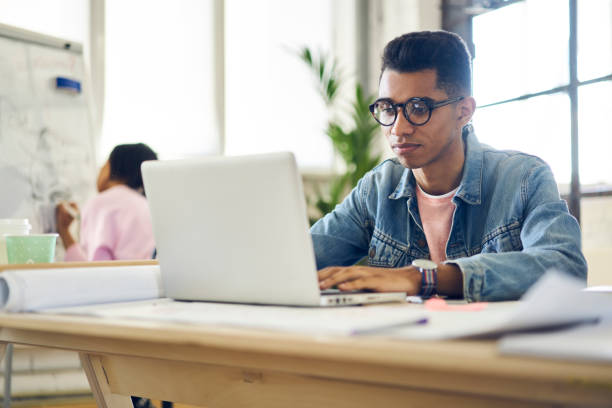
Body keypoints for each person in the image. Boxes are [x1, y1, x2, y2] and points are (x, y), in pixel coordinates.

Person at [313, 30, 587, 302]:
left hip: (489, 344)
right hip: (403, 342)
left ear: (464, 111)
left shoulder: (523, 179)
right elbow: (299, 259)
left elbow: (565, 269)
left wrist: (424, 278)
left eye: (418, 108)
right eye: (388, 108)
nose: (398, 128)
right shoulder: (377, 189)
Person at [56, 143, 158, 261]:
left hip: (116, 279)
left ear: (113, 166)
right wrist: (65, 233)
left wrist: (64, 232)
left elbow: (94, 272)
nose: (100, 169)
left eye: (103, 164)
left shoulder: (100, 204)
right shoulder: (148, 207)